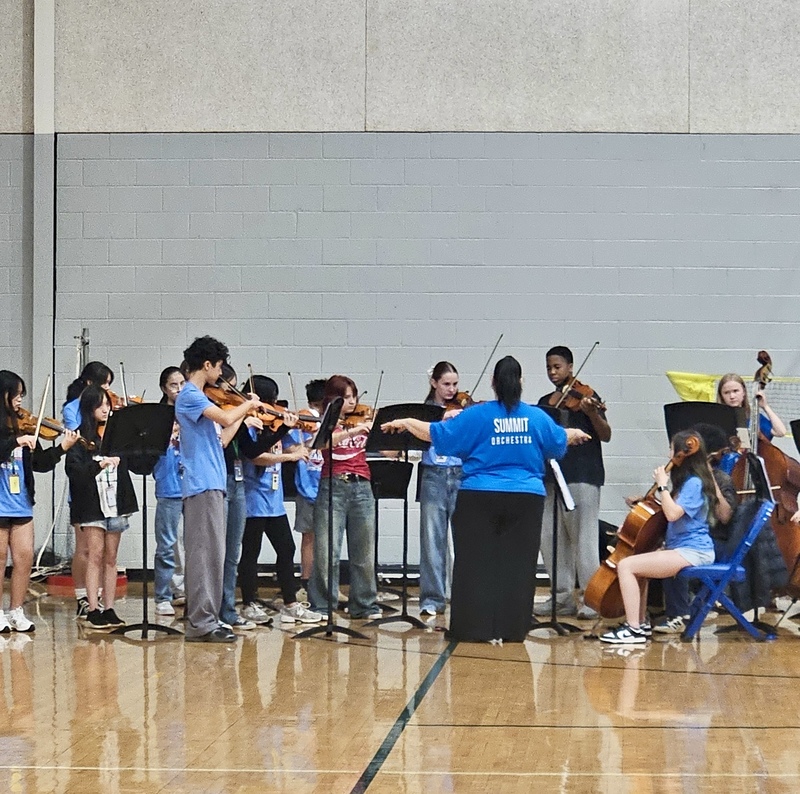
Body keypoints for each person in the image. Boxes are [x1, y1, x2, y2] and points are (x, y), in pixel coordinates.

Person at [382, 356, 590, 643]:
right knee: (519, 565)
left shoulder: (477, 415)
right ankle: (513, 629)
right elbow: (556, 442)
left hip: (479, 496)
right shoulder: (535, 417)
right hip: (526, 499)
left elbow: (435, 434)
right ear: (520, 383)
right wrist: (573, 433)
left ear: (493, 383)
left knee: (474, 563)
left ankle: (473, 628)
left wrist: (406, 421)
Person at [174, 336, 261, 643]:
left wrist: (245, 415)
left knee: (215, 555)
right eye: (219, 366)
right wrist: (248, 404)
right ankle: (200, 623)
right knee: (202, 554)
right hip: (201, 483)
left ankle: (209, 618)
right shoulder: (190, 395)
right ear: (207, 365)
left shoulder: (203, 398)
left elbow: (222, 437)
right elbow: (225, 417)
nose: (221, 373)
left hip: (213, 481)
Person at [599, 431, 717, 645]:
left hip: (694, 551)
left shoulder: (695, 483)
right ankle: (640, 624)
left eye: (672, 449)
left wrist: (662, 486)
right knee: (639, 566)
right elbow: (667, 513)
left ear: (684, 454)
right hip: (681, 549)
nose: (669, 454)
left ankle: (633, 630)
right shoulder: (686, 484)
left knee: (626, 566)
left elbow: (673, 514)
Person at [535, 346, 611, 620]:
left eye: (557, 367)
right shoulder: (545, 403)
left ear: (570, 367)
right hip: (551, 477)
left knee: (584, 540)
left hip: (582, 475)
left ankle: (592, 599)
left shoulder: (588, 398)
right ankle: (561, 598)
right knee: (551, 539)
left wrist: (592, 414)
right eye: (549, 368)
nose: (553, 372)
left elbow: (606, 434)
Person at [239, 375, 321, 625]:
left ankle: (291, 603)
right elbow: (256, 456)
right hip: (253, 497)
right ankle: (249, 602)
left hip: (273, 500)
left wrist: (296, 450)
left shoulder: (274, 423)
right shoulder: (248, 424)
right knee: (250, 553)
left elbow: (284, 448)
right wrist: (287, 458)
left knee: (287, 548)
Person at [0, 370, 78, 632]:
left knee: (23, 559)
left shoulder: (24, 426)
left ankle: (16, 610)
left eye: (22, 395)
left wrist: (62, 448)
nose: (20, 400)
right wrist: (14, 442)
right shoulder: (12, 433)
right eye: (16, 395)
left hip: (21, 502)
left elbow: (42, 464)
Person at [647, 423, 736, 634]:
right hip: (687, 536)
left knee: (672, 557)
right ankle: (659, 610)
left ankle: (679, 613)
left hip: (713, 540)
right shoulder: (684, 480)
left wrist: (709, 480)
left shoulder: (718, 479)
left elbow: (725, 517)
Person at [308, 375, 380, 621]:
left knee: (364, 551)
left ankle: (365, 604)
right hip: (333, 485)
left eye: (353, 396)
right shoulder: (325, 422)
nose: (352, 402)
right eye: (346, 397)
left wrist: (383, 429)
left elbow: (389, 450)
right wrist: (354, 430)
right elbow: (319, 445)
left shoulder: (363, 418)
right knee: (327, 550)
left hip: (362, 485)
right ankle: (321, 605)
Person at [65, 386, 137, 629]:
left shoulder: (117, 437)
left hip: (115, 502)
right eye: (99, 405)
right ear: (89, 409)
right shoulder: (80, 439)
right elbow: (74, 472)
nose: (105, 409)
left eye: (107, 404)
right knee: (94, 555)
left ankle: (109, 607)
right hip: (92, 505)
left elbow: (134, 462)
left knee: (111, 557)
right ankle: (93, 608)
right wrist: (100, 465)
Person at [62, 361, 114, 619]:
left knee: (105, 551)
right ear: (91, 384)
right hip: (84, 487)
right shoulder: (73, 410)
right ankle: (82, 596)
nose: (109, 392)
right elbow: (78, 439)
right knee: (85, 548)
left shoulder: (109, 416)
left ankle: (103, 599)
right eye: (105, 384)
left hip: (108, 491)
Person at [418, 361, 463, 618]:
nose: (452, 390)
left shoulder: (462, 409)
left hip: (460, 473)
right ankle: (432, 599)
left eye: (455, 384)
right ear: (434, 383)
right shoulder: (425, 411)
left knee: (463, 539)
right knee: (432, 539)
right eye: (446, 384)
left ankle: (462, 595)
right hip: (434, 474)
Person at [152, 366, 185, 617]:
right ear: (164, 387)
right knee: (166, 544)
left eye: (182, 384)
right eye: (174, 385)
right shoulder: (158, 415)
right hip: (168, 483)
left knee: (192, 543)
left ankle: (185, 590)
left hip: (192, 483)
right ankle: (162, 595)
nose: (179, 389)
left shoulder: (192, 410)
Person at [289, 378, 325, 597]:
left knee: (327, 537)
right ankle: (306, 582)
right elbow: (292, 448)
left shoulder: (330, 423)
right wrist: (311, 440)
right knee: (309, 536)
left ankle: (325, 583)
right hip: (308, 486)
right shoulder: (302, 422)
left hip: (328, 485)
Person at [717, 373, 786, 461]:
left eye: (735, 391)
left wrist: (765, 406)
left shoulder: (754, 418)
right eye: (727, 393)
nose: (732, 396)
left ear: (744, 392)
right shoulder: (717, 419)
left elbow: (780, 432)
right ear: (721, 396)